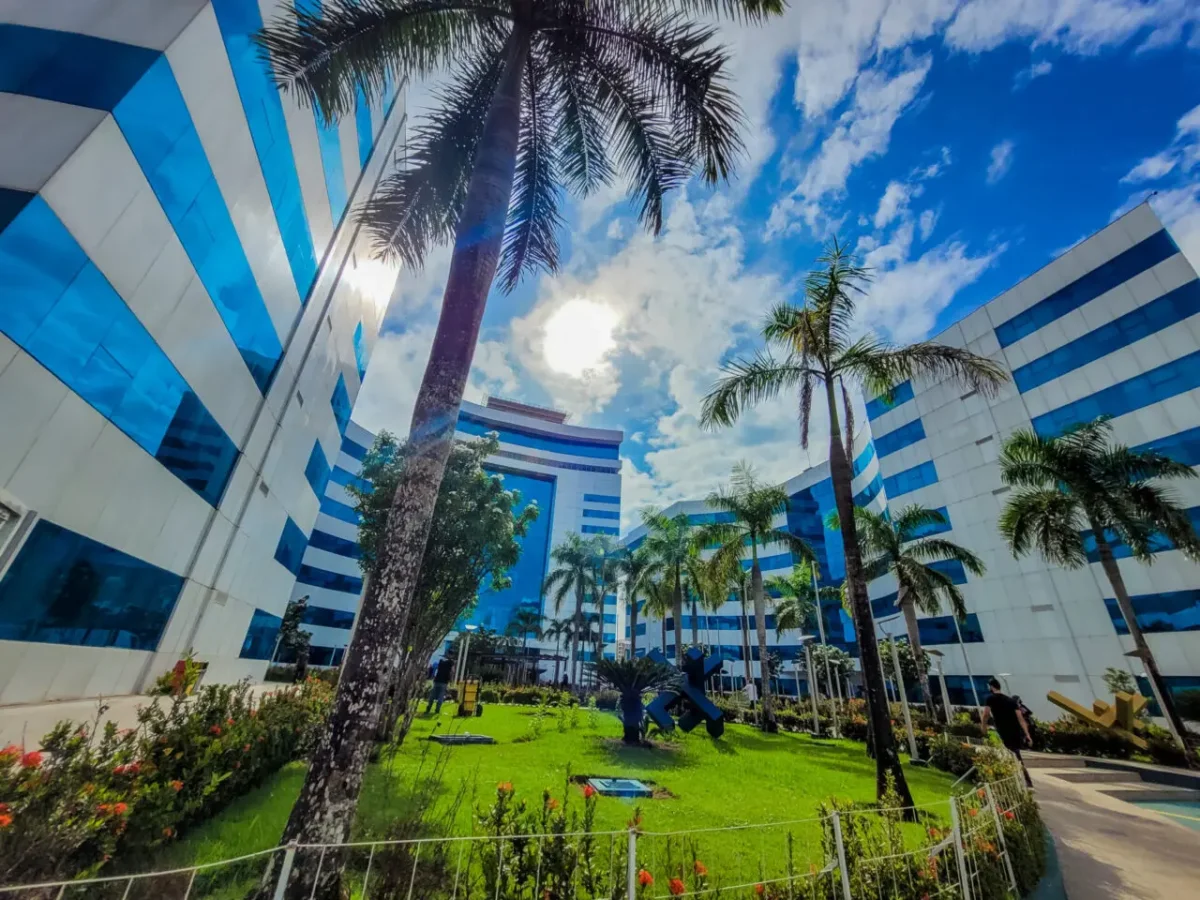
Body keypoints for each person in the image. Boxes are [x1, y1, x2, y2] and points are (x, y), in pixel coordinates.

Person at [981, 677, 1033, 787]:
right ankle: (1024, 780)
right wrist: (1027, 734)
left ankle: (1017, 781)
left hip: (1002, 730)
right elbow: (1021, 719)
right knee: (1016, 755)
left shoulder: (990, 699)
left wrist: (983, 727)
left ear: (991, 687)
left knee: (1008, 755)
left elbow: (986, 714)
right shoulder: (1011, 701)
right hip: (1015, 731)